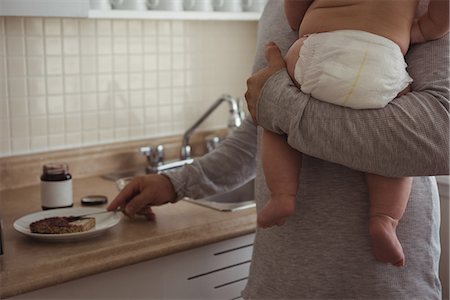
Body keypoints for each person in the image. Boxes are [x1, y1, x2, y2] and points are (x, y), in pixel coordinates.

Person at [108, 0, 449, 298]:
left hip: (380, 287)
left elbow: (439, 137)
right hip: (280, 283)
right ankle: (383, 218)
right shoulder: (273, 7)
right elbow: (264, 119)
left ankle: (381, 219)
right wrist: (177, 182)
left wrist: (280, 102)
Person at [257, 0, 449, 269]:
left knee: (273, 111)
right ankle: (385, 218)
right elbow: (434, 26)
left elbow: (294, 18)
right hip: (384, 57)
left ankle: (282, 194)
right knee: (390, 151)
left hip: (318, 48)